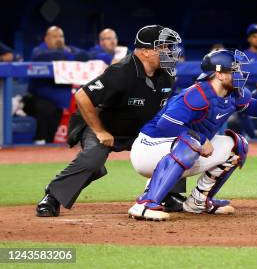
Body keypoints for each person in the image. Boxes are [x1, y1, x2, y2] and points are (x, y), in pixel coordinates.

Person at [127, 49, 257, 220]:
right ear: (218, 74)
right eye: (234, 69)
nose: (240, 73)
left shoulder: (234, 93)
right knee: (191, 142)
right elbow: (165, 125)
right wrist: (201, 139)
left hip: (180, 149)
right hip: (149, 150)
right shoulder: (196, 94)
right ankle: (145, 204)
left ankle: (198, 201)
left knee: (238, 145)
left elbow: (255, 105)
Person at [35, 25, 182, 218]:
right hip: (105, 126)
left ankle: (165, 194)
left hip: (140, 130)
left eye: (169, 48)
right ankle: (52, 197)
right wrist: (99, 131)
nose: (169, 52)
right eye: (163, 48)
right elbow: (82, 96)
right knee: (93, 162)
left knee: (176, 146)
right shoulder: (120, 72)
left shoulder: (168, 75)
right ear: (146, 51)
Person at [24, 27, 89, 144]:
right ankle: (39, 140)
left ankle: (46, 144)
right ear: (46, 39)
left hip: (59, 101)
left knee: (55, 115)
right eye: (55, 36)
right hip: (35, 99)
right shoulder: (39, 51)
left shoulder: (68, 49)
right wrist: (67, 54)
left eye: (61, 36)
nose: (59, 39)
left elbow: (84, 55)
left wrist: (67, 53)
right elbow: (43, 57)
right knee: (46, 107)